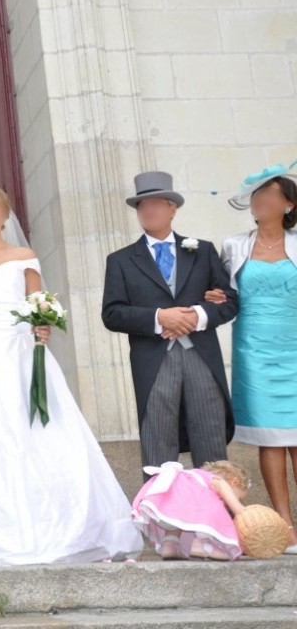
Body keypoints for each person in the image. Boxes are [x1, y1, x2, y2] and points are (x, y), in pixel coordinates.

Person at [0, 184, 142, 566]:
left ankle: (53, 527)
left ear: (6, 213)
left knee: (37, 439)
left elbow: (37, 308)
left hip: (21, 355)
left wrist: (43, 328)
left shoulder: (25, 256)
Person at [101, 171, 238, 472]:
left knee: (211, 445)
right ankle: (158, 518)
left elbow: (229, 301)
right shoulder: (121, 260)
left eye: (155, 204)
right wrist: (159, 317)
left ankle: (216, 515)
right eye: (141, 206)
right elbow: (111, 313)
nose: (147, 211)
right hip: (153, 362)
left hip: (201, 356)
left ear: (172, 208)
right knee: (158, 447)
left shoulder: (202, 251)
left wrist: (195, 316)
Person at [209, 162, 297, 552]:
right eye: (257, 196)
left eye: (270, 196)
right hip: (255, 350)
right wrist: (213, 296)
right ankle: (285, 523)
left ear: (288, 204)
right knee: (271, 438)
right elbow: (223, 293)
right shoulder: (234, 245)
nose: (261, 201)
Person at [132, 460, 249, 561]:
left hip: (163, 504)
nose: (227, 506)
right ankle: (204, 544)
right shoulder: (217, 481)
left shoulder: (192, 477)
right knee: (210, 510)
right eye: (238, 496)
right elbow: (237, 508)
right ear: (234, 482)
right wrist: (245, 514)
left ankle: (170, 545)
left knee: (179, 517)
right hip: (183, 505)